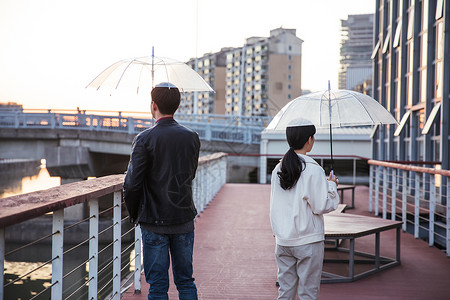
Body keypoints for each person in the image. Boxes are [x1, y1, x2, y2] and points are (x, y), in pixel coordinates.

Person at [123, 82, 200, 300]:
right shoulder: (191, 136)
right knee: (186, 281)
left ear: (153, 104)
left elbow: (132, 184)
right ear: (177, 106)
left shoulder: (144, 139)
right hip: (183, 217)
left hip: (153, 220)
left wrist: (135, 214)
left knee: (157, 286)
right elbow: (190, 174)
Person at [270, 121, 339, 300]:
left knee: (285, 292)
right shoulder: (313, 169)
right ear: (309, 139)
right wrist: (331, 186)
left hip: (283, 241)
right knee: (308, 293)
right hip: (308, 241)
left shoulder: (278, 168)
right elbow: (322, 206)